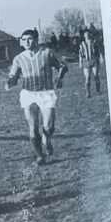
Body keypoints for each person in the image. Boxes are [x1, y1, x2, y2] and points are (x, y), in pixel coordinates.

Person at [6, 28, 67, 164]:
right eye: (24, 40)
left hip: (46, 92)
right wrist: (10, 81)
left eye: (30, 39)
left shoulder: (47, 53)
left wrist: (59, 77)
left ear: (36, 40)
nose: (27, 42)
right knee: (33, 128)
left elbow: (62, 66)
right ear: (21, 42)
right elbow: (13, 76)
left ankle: (47, 139)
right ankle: (40, 156)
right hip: (28, 94)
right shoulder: (19, 58)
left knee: (49, 127)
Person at [79, 26, 103, 97]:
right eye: (85, 34)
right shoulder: (82, 44)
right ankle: (88, 93)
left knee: (96, 76)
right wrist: (80, 63)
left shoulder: (94, 42)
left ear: (90, 34)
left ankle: (98, 91)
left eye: (88, 34)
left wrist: (101, 57)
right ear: (84, 36)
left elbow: (98, 50)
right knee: (87, 77)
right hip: (86, 62)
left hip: (94, 60)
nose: (87, 35)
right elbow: (80, 54)